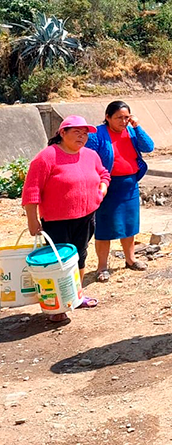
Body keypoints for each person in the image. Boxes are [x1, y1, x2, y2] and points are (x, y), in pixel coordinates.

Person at [21, 116, 110, 322]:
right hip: (57, 220)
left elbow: (104, 174)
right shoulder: (47, 157)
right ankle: (58, 306)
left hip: (86, 215)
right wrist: (32, 220)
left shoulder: (90, 155)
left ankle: (76, 296)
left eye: (85, 133)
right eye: (77, 132)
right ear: (62, 133)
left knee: (80, 255)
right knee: (58, 262)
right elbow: (32, 190)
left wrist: (102, 189)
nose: (82, 136)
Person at [86, 100, 154, 281]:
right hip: (106, 186)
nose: (123, 121)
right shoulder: (97, 134)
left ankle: (130, 259)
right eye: (118, 118)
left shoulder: (131, 132)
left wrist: (137, 126)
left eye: (126, 117)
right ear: (107, 117)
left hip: (129, 185)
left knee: (129, 225)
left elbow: (149, 147)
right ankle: (102, 267)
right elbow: (87, 157)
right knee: (104, 227)